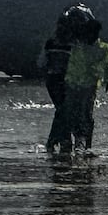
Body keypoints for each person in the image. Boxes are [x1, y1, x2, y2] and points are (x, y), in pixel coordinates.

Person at [60, 3, 108, 154]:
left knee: (85, 114)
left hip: (88, 85)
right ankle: (74, 141)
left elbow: (107, 66)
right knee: (72, 112)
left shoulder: (103, 48)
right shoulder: (79, 44)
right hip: (73, 83)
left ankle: (85, 142)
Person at [40, 17, 77, 154]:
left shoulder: (50, 43)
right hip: (65, 80)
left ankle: (60, 139)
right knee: (64, 110)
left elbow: (41, 62)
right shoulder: (73, 44)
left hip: (52, 80)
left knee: (62, 110)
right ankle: (59, 139)